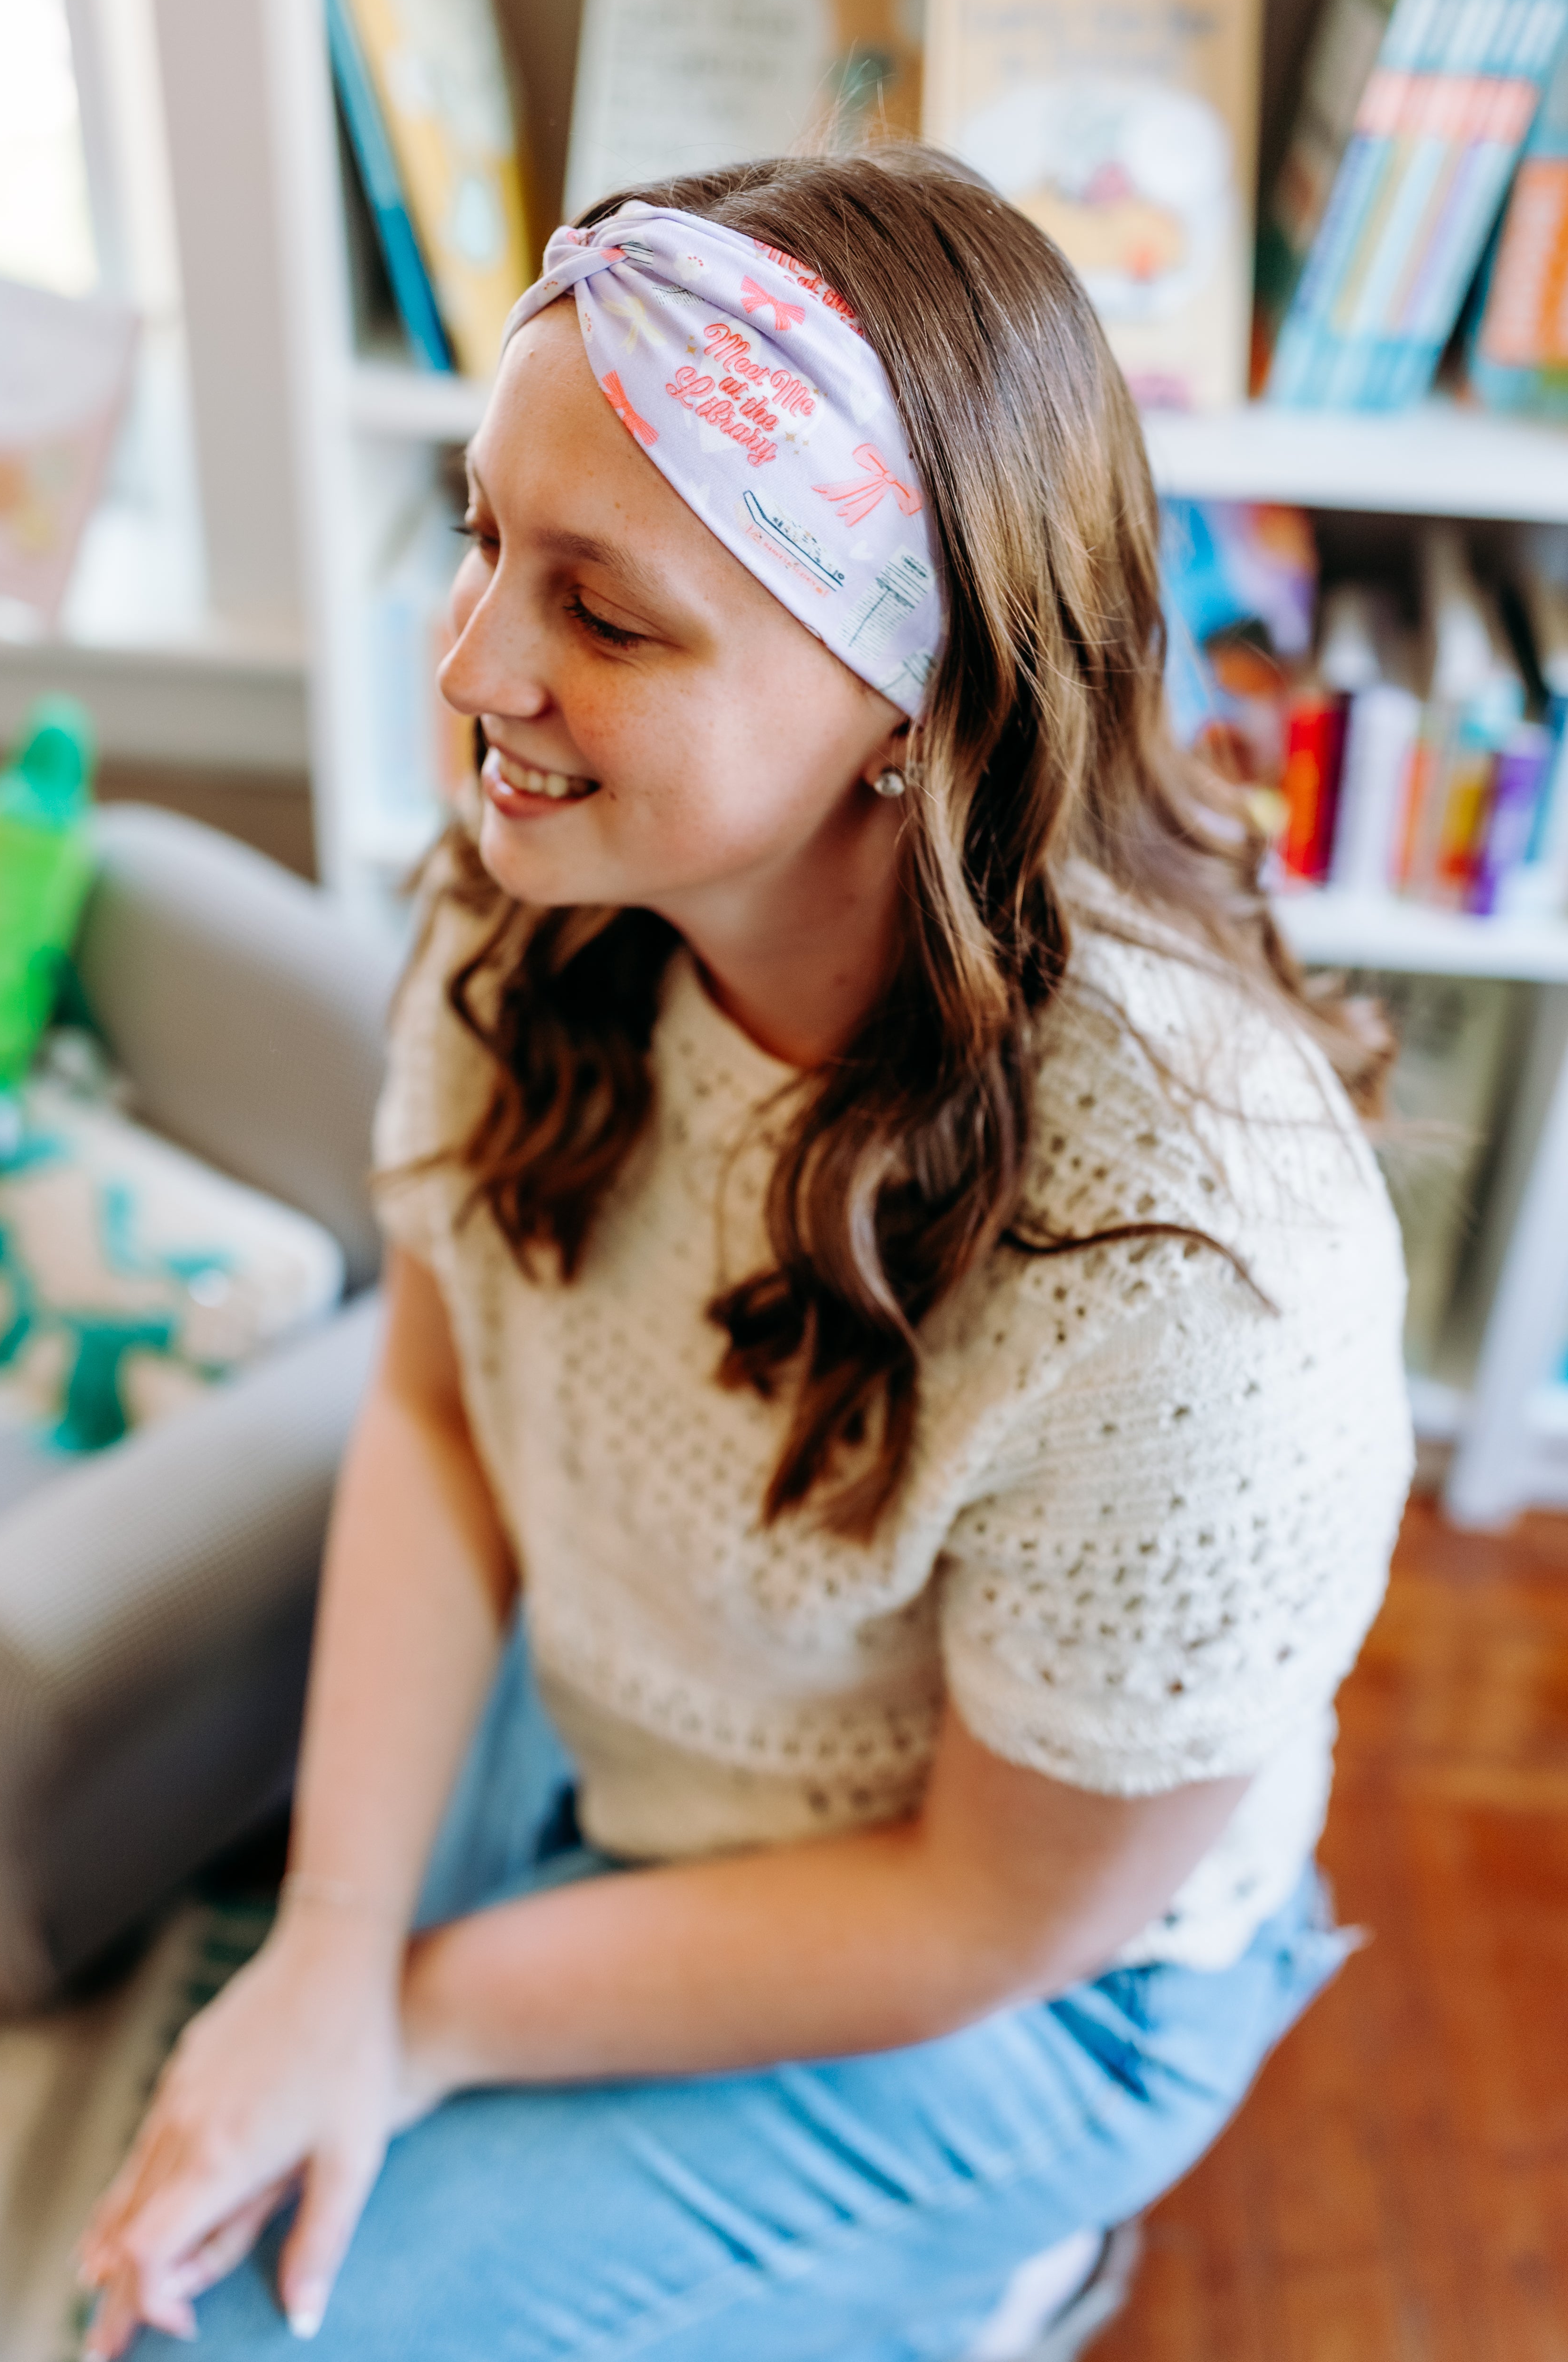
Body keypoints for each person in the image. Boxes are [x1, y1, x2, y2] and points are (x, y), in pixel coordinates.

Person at [78, 149, 1412, 2362]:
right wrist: (331, 1948)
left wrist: (424, 2019)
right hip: (650, 1695)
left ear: (913, 704)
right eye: (483, 534)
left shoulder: (1198, 1270)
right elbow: (436, 1406)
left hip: (1021, 1962)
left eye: (604, 615)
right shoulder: (541, 901)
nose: (470, 657)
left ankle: (1003, 2257)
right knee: (223, 2180)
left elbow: (993, 1909)